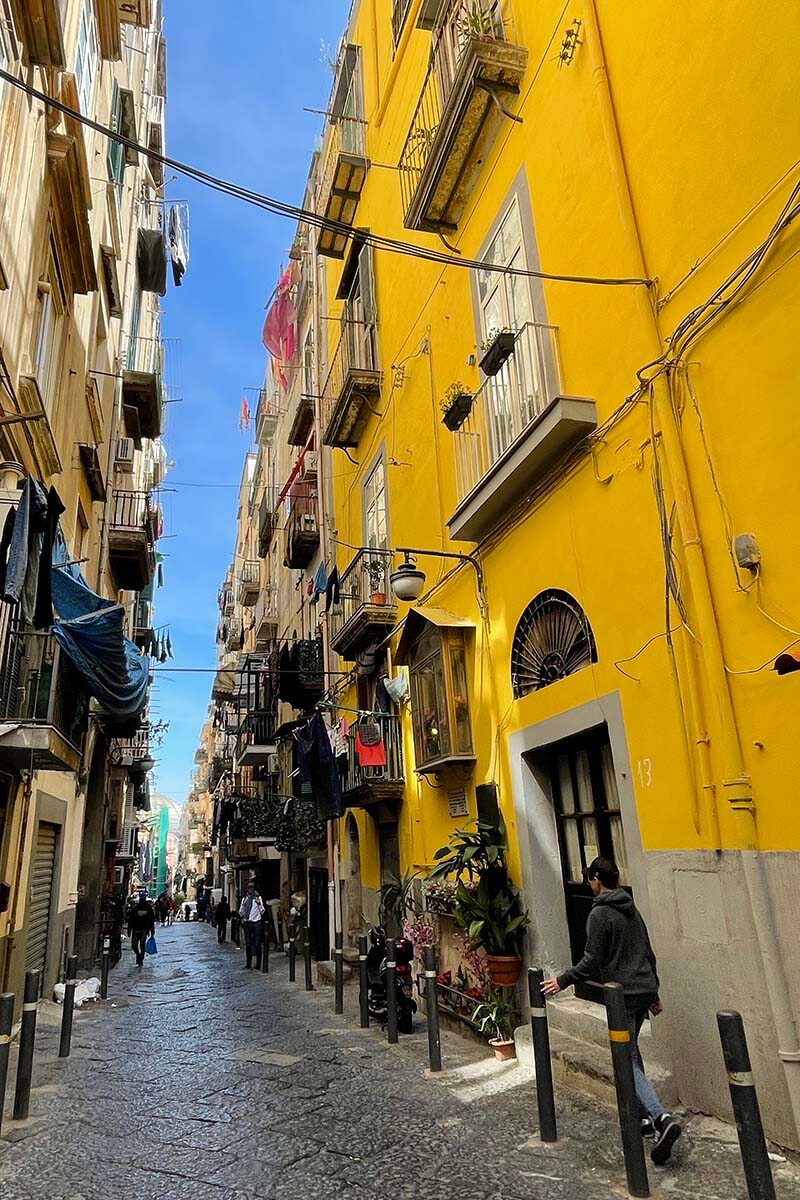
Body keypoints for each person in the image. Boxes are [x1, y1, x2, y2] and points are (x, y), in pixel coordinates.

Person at [542, 857, 681, 1165]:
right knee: (632, 1053)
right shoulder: (631, 907)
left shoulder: (600, 914)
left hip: (624, 994)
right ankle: (643, 1118)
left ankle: (661, 1118)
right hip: (643, 988)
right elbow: (648, 951)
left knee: (625, 1059)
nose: (589, 885)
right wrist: (654, 992)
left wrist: (561, 981)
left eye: (590, 879)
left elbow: (591, 960)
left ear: (596, 879)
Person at [239, 880, 265, 969]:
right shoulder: (244, 899)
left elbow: (262, 911)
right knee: (248, 944)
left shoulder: (258, 898)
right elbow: (241, 911)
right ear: (247, 889)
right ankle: (248, 963)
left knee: (258, 944)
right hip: (247, 922)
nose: (251, 889)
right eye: (249, 888)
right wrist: (242, 915)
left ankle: (258, 964)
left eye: (252, 888)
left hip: (256, 922)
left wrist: (259, 904)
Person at [127, 890, 156, 968]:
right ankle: (138, 955)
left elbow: (151, 920)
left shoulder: (149, 908)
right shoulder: (135, 908)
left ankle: (141, 959)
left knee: (142, 944)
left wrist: (152, 930)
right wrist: (129, 929)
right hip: (136, 929)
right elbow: (131, 919)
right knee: (134, 946)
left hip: (144, 929)